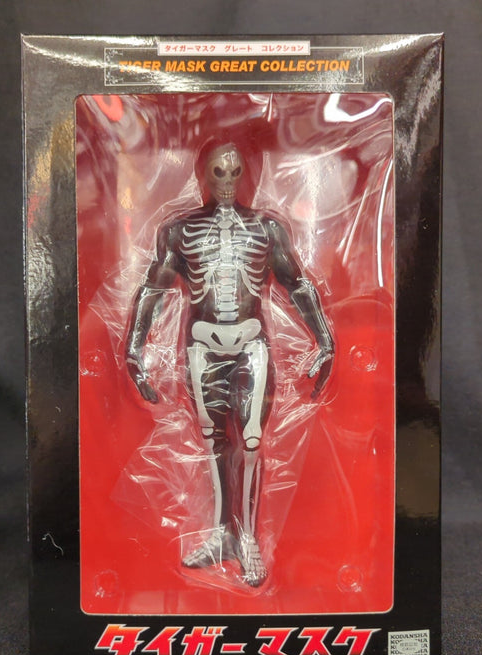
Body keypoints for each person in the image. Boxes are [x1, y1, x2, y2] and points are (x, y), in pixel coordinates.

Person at [126, 143, 334, 586]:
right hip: (201, 346)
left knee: (252, 441)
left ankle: (249, 539)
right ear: (204, 174)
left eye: (234, 172)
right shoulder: (179, 230)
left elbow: (297, 283)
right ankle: (222, 535)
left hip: (250, 344)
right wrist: (134, 348)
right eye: (218, 172)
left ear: (244, 175)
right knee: (213, 441)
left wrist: (324, 338)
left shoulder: (267, 228)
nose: (226, 181)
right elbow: (154, 288)